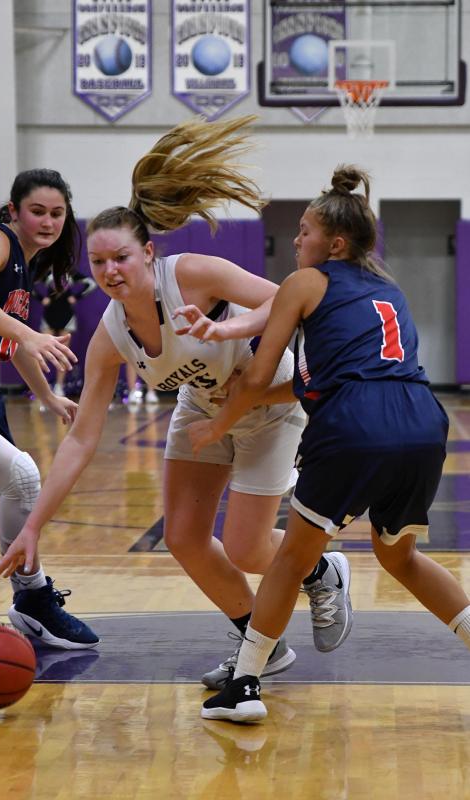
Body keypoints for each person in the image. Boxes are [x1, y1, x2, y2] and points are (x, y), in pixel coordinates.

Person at [0, 118, 352, 683]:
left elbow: (291, 300)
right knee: (182, 537)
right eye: (100, 262)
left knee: (248, 547)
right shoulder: (108, 338)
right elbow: (83, 437)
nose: (110, 271)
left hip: (266, 403)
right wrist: (34, 525)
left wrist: (232, 333)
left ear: (148, 253)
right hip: (202, 408)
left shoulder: (194, 275)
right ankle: (260, 644)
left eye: (121, 259)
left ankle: (322, 568)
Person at [186, 164, 470, 722]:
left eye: (304, 231)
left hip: (354, 426)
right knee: (401, 557)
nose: (296, 240)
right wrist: (258, 398)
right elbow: (314, 380)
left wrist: (219, 424)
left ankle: (244, 687)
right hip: (421, 421)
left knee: (293, 557)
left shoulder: (305, 283)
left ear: (334, 243)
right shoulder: (388, 290)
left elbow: (256, 374)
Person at [0, 168, 99, 650]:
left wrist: (46, 395)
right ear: (14, 212)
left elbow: (15, 336)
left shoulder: (25, 267)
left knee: (12, 487)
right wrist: (28, 333)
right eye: (37, 211)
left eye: (57, 213)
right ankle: (32, 597)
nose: (48, 221)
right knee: (24, 477)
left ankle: (34, 599)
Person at [33, 269, 97, 396]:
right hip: (49, 314)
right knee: (42, 352)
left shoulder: (72, 273)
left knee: (63, 352)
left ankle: (59, 386)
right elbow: (29, 283)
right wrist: (41, 298)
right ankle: (40, 386)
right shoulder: (47, 272)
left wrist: (77, 296)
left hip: (66, 315)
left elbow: (91, 284)